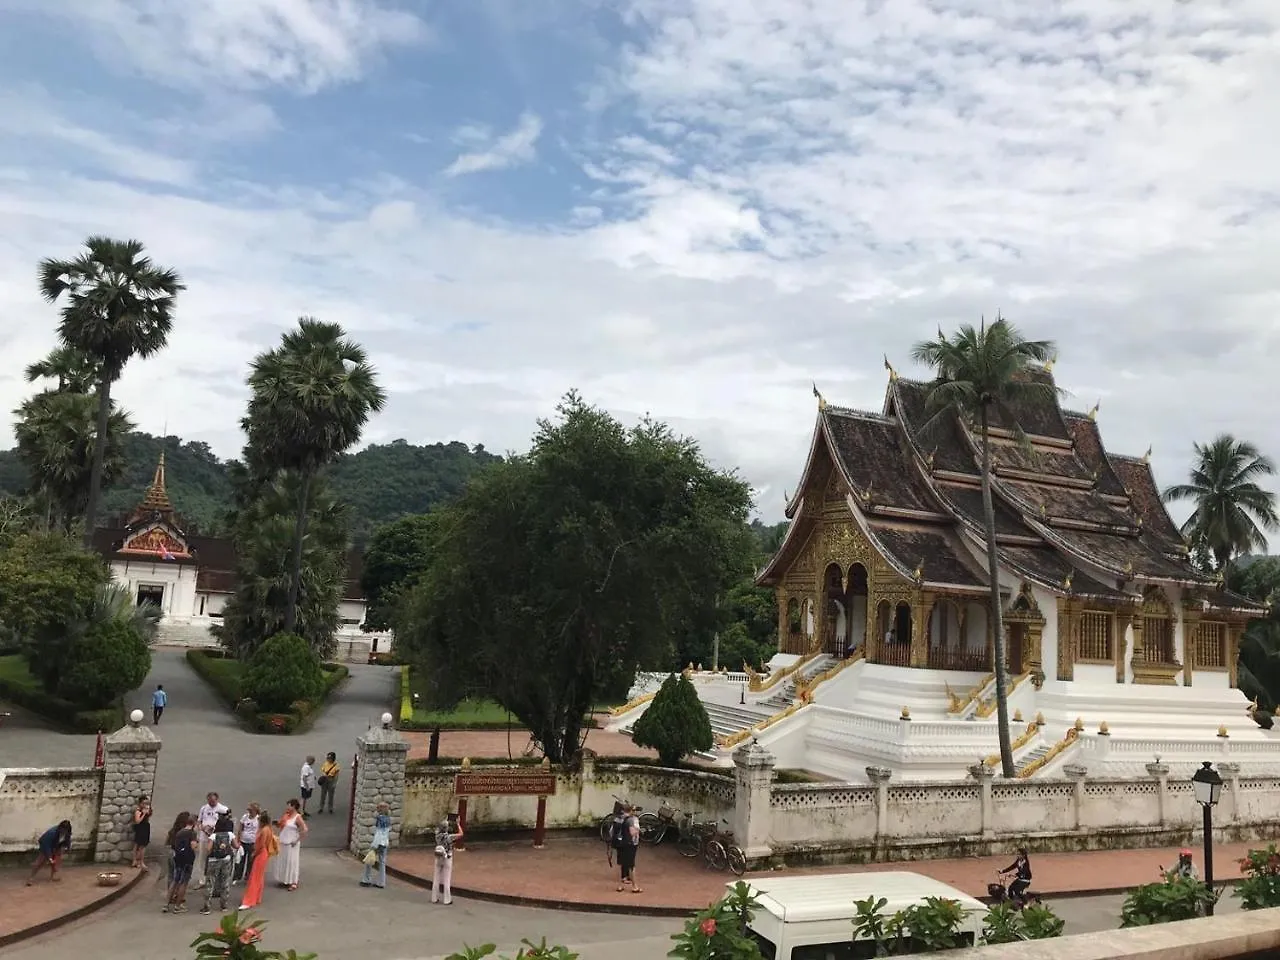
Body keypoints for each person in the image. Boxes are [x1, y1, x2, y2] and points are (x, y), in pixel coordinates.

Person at [239, 812, 277, 911]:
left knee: (254, 877)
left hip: (260, 854)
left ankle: (249, 900)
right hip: (263, 854)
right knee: (259, 877)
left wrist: (254, 853)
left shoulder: (264, 830)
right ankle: (256, 897)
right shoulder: (268, 829)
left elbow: (262, 845)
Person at [202, 813, 238, 915]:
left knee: (210, 882)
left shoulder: (213, 836)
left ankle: (207, 907)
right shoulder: (230, 835)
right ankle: (223, 905)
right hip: (226, 860)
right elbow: (236, 846)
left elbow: (208, 850)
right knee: (225, 881)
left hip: (213, 860)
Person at [165, 814, 198, 914]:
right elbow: (193, 846)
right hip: (187, 860)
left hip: (178, 859)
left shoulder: (179, 832)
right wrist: (197, 844)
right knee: (184, 883)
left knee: (175, 881)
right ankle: (177, 906)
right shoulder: (192, 833)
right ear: (194, 823)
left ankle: (166, 904)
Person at [194, 791, 228, 889]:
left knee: (216, 859)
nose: (211, 803)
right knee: (202, 859)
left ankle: (214, 881)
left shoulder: (223, 809)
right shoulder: (204, 808)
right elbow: (199, 821)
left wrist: (214, 829)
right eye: (209, 801)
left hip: (216, 838)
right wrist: (202, 828)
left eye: (213, 801)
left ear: (217, 799)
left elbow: (226, 824)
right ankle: (202, 880)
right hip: (204, 837)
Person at [273, 799, 308, 891]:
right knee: (284, 861)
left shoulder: (297, 817)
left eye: (289, 806)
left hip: (291, 843)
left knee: (291, 862)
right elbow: (281, 825)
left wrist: (297, 840)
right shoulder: (286, 816)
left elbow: (304, 829)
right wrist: (277, 823)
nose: (287, 808)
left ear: (293, 806)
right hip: (283, 841)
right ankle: (285, 879)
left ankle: (293, 881)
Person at [26, 820, 72, 885]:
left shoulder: (67, 833)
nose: (64, 832)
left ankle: (52, 876)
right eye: (63, 830)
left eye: (66, 830)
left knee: (55, 861)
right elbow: (46, 846)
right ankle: (31, 878)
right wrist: (50, 858)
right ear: (60, 828)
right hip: (46, 845)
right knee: (40, 862)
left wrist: (68, 848)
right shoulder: (52, 833)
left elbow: (68, 840)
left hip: (57, 845)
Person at [431, 816, 463, 905]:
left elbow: (438, 828)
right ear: (447, 828)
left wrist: (445, 819)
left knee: (436, 877)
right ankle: (447, 899)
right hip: (447, 858)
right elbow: (461, 834)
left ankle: (434, 898)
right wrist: (458, 824)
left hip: (438, 857)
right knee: (446, 879)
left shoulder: (437, 836)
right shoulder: (449, 837)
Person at [360, 801, 392, 889]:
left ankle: (366, 879)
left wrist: (374, 845)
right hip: (385, 842)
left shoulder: (380, 819)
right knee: (382, 862)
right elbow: (386, 832)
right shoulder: (388, 819)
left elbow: (379, 832)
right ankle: (381, 882)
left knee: (369, 861)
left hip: (378, 842)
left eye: (378, 808)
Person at [615, 804, 642, 894]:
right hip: (630, 844)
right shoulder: (632, 819)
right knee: (631, 865)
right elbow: (632, 832)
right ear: (631, 811)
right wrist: (639, 830)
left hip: (620, 843)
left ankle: (620, 885)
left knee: (622, 863)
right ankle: (635, 886)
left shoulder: (619, 818)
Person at [233, 803, 261, 885]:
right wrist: (238, 841)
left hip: (253, 843)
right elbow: (240, 829)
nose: (250, 812)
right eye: (249, 810)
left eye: (251, 810)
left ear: (255, 811)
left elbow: (260, 830)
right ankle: (237, 877)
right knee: (240, 860)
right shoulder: (245, 817)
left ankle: (248, 876)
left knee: (251, 861)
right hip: (243, 842)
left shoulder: (258, 819)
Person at [131, 795, 152, 869]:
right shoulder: (138, 811)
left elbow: (149, 816)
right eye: (143, 803)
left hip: (146, 827)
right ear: (140, 803)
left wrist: (147, 811)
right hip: (140, 827)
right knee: (138, 845)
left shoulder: (146, 809)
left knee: (143, 845)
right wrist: (143, 814)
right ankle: (135, 861)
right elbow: (137, 821)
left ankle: (140, 861)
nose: (144, 804)